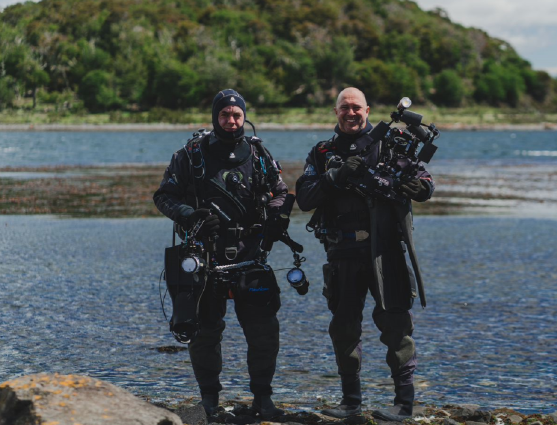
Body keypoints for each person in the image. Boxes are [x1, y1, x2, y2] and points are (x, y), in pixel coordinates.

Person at [296, 87, 434, 421]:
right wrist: (335, 176)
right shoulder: (322, 152)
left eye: (357, 107)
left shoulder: (390, 143)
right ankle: (350, 403)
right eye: (345, 108)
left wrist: (422, 188)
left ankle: (403, 406)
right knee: (344, 328)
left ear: (368, 110)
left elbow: (425, 180)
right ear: (336, 111)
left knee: (397, 327)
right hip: (342, 251)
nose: (351, 113)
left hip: (385, 250)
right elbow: (304, 197)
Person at [153, 89, 290, 419]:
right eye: (225, 114)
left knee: (264, 331)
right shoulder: (190, 154)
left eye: (237, 115)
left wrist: (275, 218)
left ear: (245, 117)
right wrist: (190, 216)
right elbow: (163, 196)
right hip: (204, 257)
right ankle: (210, 403)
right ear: (216, 116)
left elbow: (281, 193)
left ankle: (262, 400)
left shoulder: (258, 155)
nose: (231, 120)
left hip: (250, 255)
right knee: (204, 332)